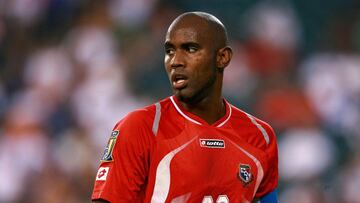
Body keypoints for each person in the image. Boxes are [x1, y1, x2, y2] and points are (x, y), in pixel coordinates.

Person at [92, 11, 279, 203]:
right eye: (170, 51)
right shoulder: (139, 127)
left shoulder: (260, 136)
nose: (176, 61)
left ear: (222, 57)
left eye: (190, 49)